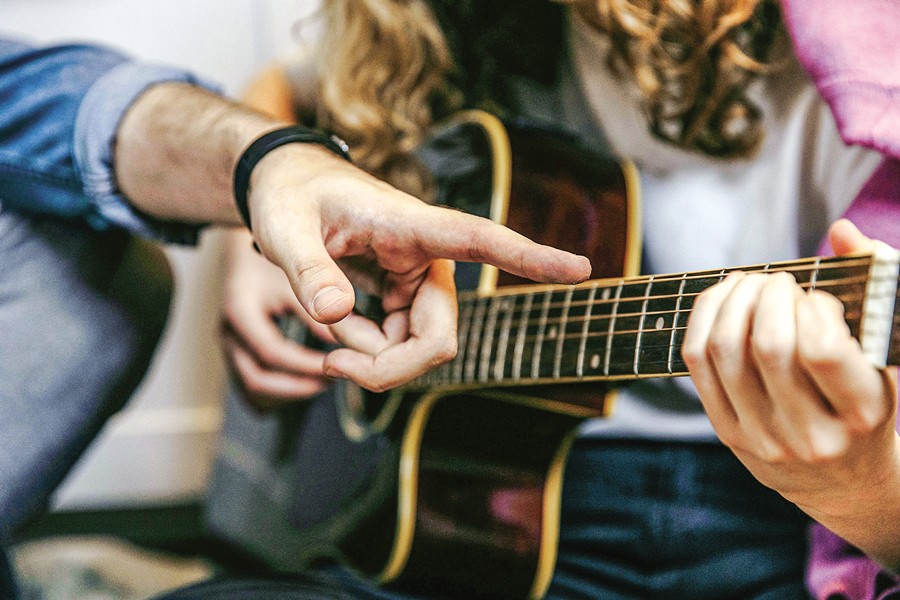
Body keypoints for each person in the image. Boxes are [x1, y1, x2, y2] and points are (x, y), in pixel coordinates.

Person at [207, 0, 900, 598]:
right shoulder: (448, 23)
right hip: (512, 515)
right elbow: (278, 92)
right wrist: (255, 238)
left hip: (793, 522)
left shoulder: (859, 43)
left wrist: (862, 489)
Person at [0, 36, 591, 598]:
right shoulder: (431, 22)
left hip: (543, 497)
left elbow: (47, 98)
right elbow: (281, 81)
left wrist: (264, 167)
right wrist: (258, 228)